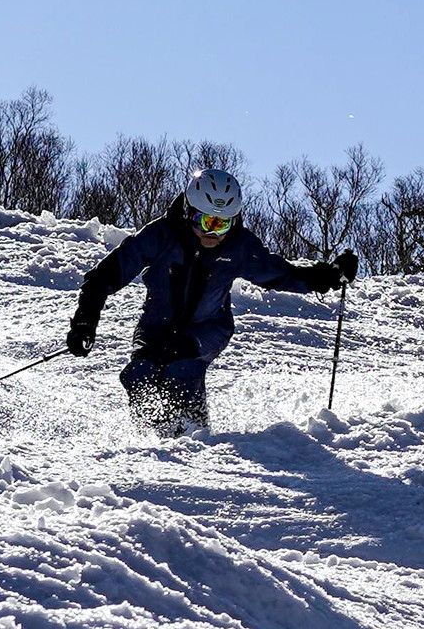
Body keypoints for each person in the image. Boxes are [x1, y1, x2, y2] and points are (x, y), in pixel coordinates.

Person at [66, 167, 358, 435]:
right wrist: (85, 322)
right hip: (155, 327)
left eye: (222, 223)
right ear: (188, 212)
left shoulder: (239, 246)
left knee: (181, 368)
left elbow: (282, 275)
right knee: (139, 374)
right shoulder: (160, 236)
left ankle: (195, 437)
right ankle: (155, 440)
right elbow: (103, 277)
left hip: (208, 328)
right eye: (205, 221)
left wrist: (329, 276)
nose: (212, 232)